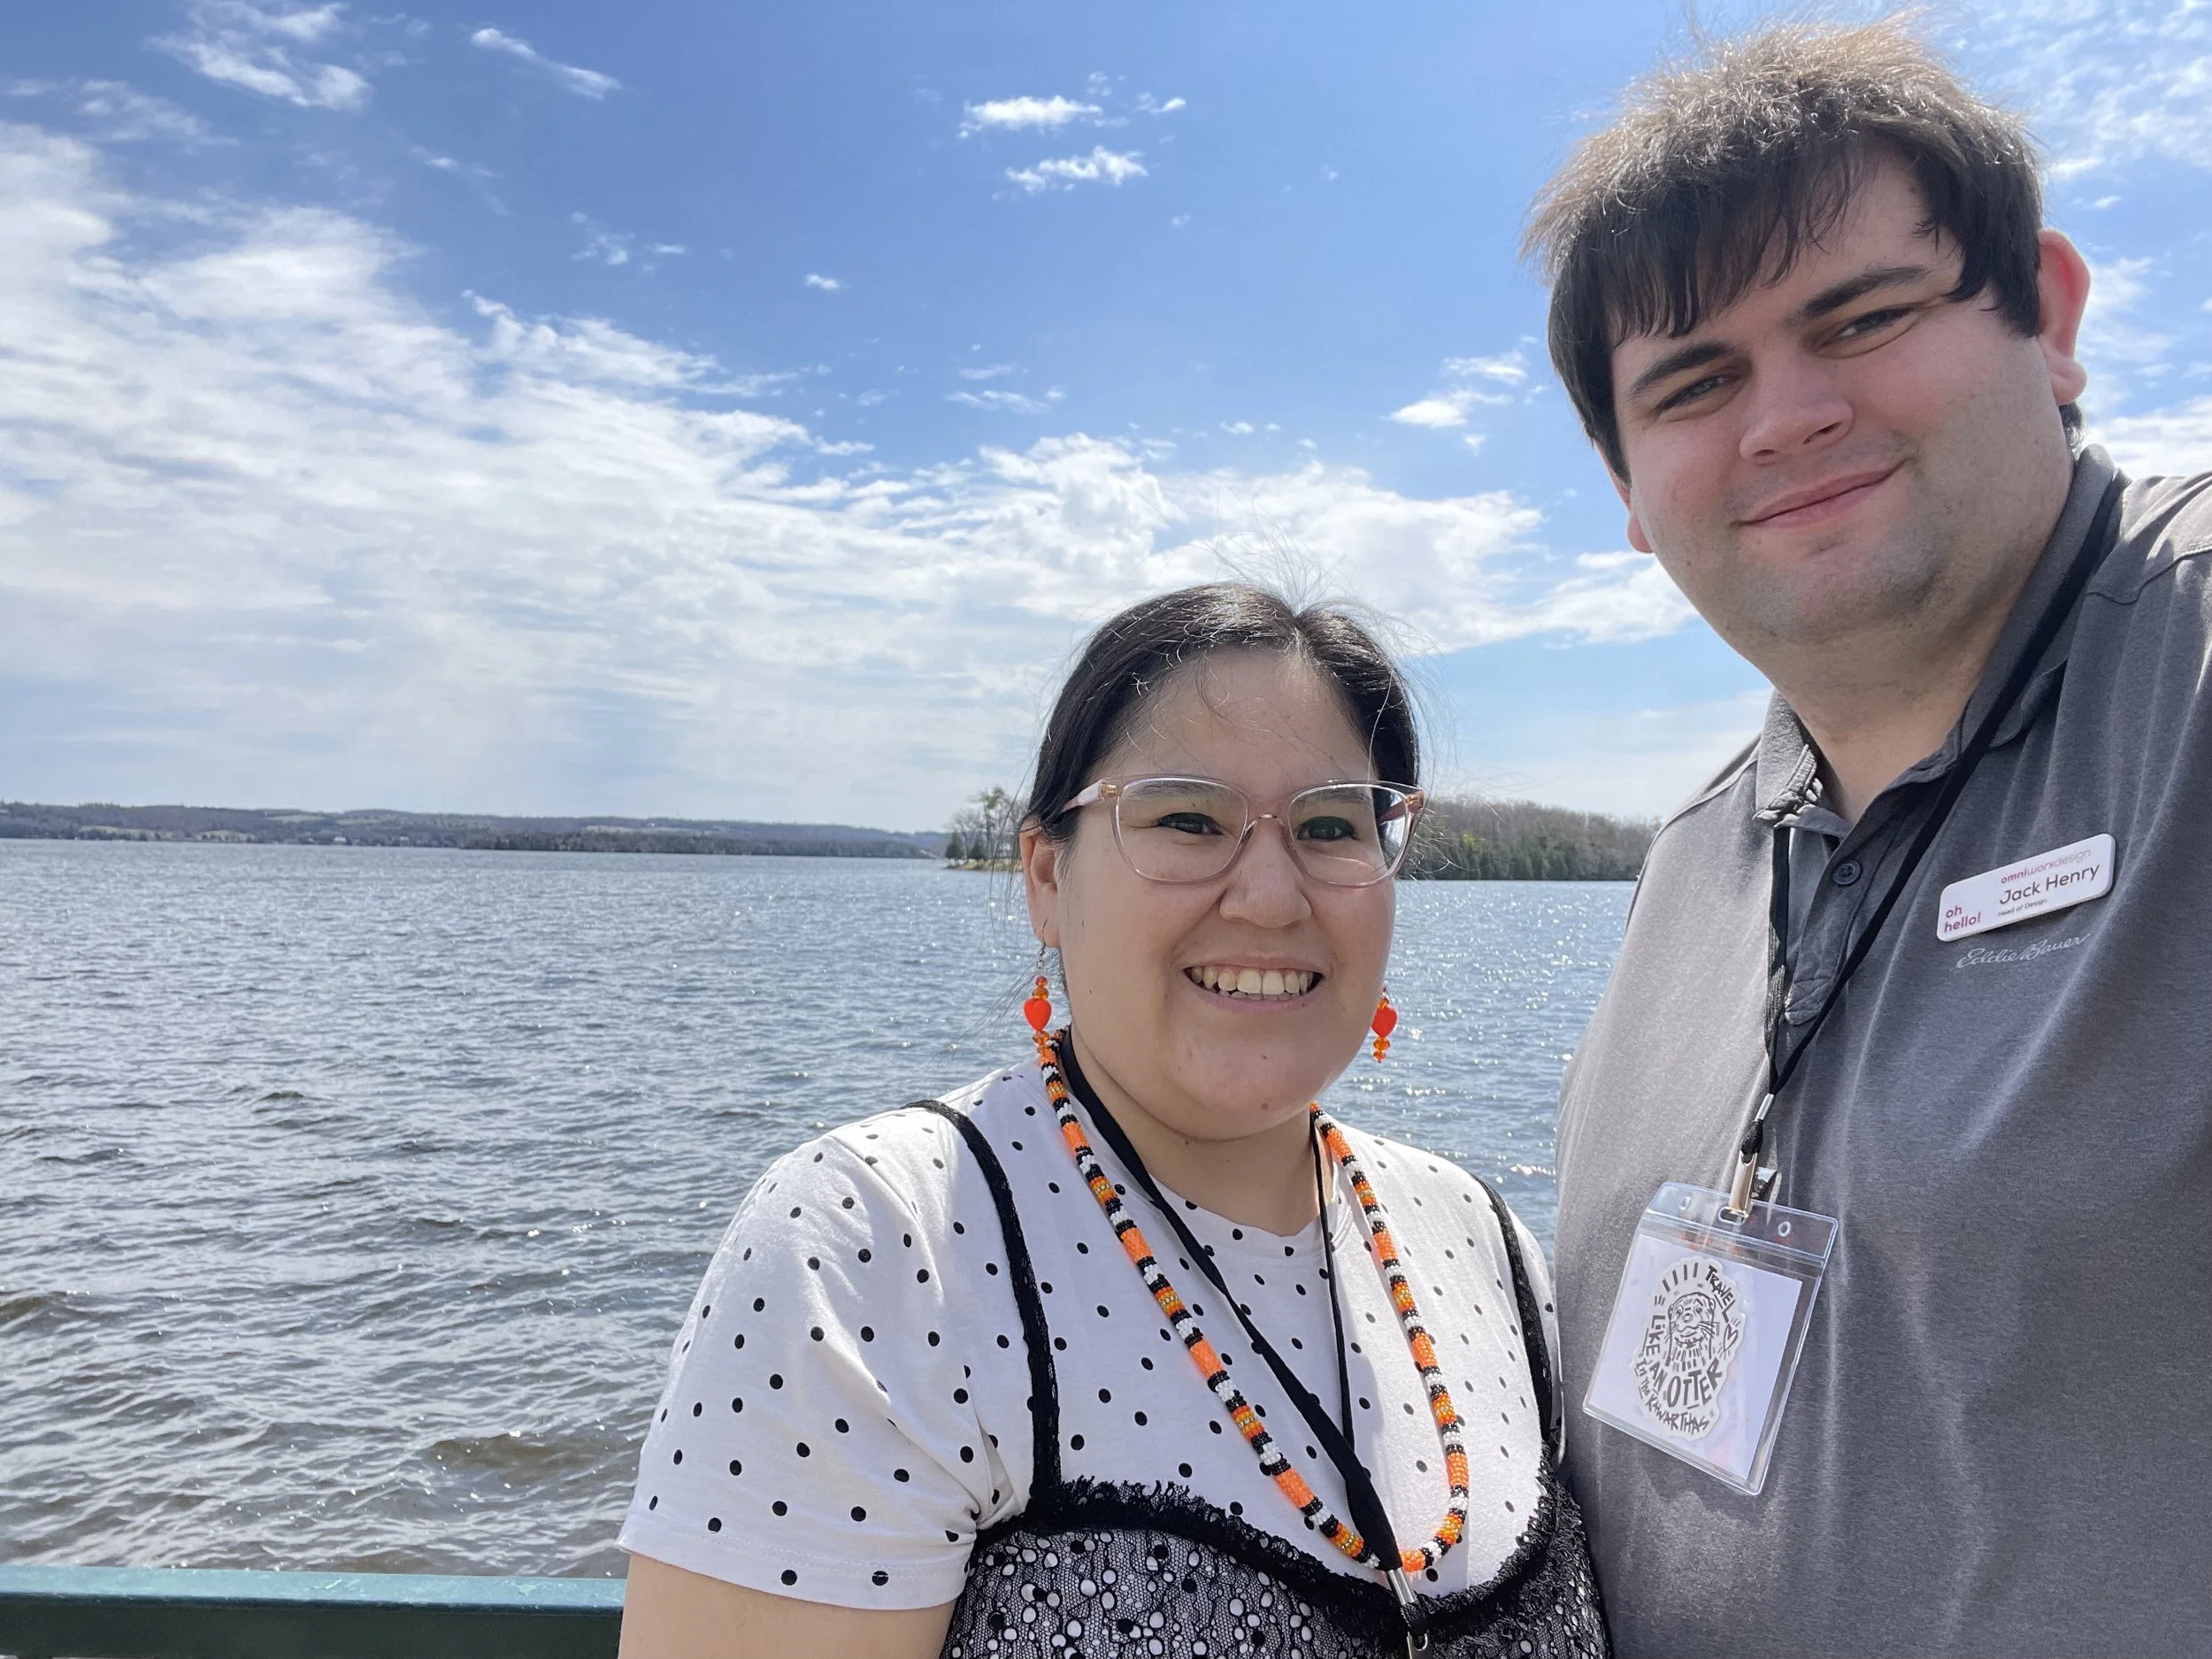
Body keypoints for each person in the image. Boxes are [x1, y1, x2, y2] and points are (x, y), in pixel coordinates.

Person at [1524, 19, 2212, 1658]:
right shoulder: (1697, 856)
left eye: (1865, 316)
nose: (1787, 416)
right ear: (1630, 489)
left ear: (2045, 314)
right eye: (1694, 383)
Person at [613, 584, 1608, 1657]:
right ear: (1046, 874)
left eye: (1330, 826)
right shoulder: (878, 1250)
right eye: (1188, 818)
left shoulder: (1476, 1238)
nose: (1271, 897)